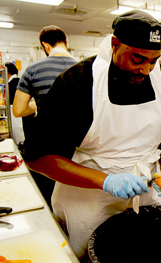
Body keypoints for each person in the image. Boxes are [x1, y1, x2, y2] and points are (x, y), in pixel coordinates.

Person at [23, 10, 161, 260]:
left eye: (153, 61)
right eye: (138, 59)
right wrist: (106, 181)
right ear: (114, 44)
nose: (146, 70)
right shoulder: (76, 84)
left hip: (145, 195)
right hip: (88, 203)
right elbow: (37, 156)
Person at [12, 25, 78, 209]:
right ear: (66, 43)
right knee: (75, 199)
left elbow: (18, 110)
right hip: (80, 147)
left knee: (49, 199)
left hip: (48, 148)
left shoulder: (33, 69)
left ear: (45, 46)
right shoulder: (86, 68)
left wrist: (36, 106)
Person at [4, 62, 23, 144]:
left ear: (7, 73)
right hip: (21, 112)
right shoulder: (20, 81)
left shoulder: (10, 84)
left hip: (14, 113)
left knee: (17, 135)